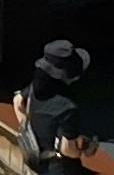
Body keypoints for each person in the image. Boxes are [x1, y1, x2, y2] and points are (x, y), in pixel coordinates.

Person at [23, 38, 91, 169]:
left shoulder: (37, 86)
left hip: (32, 152)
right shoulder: (67, 108)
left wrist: (26, 127)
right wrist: (84, 151)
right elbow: (67, 151)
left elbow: (17, 101)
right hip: (54, 166)